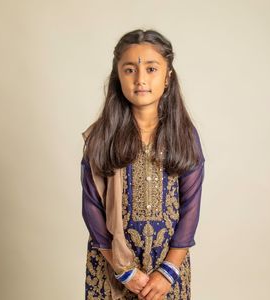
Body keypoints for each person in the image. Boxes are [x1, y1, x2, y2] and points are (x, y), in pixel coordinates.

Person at [80, 29, 205, 300]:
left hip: (167, 269)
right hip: (111, 265)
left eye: (151, 69)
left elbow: (191, 207)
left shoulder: (183, 135)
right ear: (118, 76)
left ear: (168, 76)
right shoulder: (102, 137)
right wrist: (122, 269)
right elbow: (91, 207)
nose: (140, 80)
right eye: (129, 70)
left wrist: (168, 271)